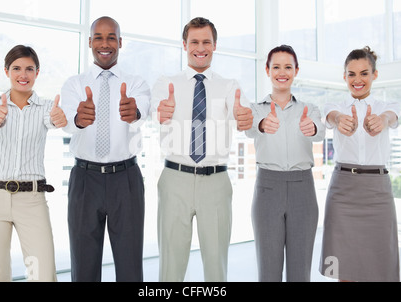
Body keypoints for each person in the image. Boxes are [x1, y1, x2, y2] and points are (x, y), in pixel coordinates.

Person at [151, 17, 253, 282]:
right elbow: (155, 112)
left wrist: (245, 117)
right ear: (184, 45)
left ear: (215, 45)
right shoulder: (166, 83)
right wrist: (161, 112)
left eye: (206, 41)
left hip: (216, 182)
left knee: (216, 266)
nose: (200, 47)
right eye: (194, 41)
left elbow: (244, 116)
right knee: (170, 267)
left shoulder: (230, 85)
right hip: (175, 179)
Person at [61, 16, 150, 282]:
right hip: (85, 180)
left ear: (120, 42)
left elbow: (142, 109)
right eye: (98, 37)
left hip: (126, 179)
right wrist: (78, 118)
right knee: (84, 266)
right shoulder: (74, 84)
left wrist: (132, 111)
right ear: (89, 42)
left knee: (130, 266)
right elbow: (66, 119)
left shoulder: (135, 83)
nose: (105, 43)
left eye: (111, 37)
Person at [0, 44, 67, 282]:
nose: (23, 75)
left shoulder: (48, 108)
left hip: (32, 200)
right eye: (16, 68)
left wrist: (63, 119)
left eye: (29, 69)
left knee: (43, 274)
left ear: (37, 72)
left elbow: (59, 121)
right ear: (6, 71)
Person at [245, 45, 326, 282]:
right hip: (268, 187)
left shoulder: (309, 109)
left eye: (288, 67)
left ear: (296, 70)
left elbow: (320, 131)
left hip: (303, 188)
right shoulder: (255, 109)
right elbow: (250, 129)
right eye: (276, 66)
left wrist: (311, 128)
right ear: (267, 70)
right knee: (268, 270)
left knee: (300, 270)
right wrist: (261, 125)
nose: (282, 72)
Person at [319, 46, 400, 282]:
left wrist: (382, 120)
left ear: (374, 75)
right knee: (343, 268)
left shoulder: (388, 106)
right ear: (344, 77)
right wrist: (339, 119)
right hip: (343, 191)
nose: (357, 80)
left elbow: (391, 117)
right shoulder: (334, 107)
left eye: (364, 73)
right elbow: (331, 117)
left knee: (380, 266)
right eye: (351, 74)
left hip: (377, 191)